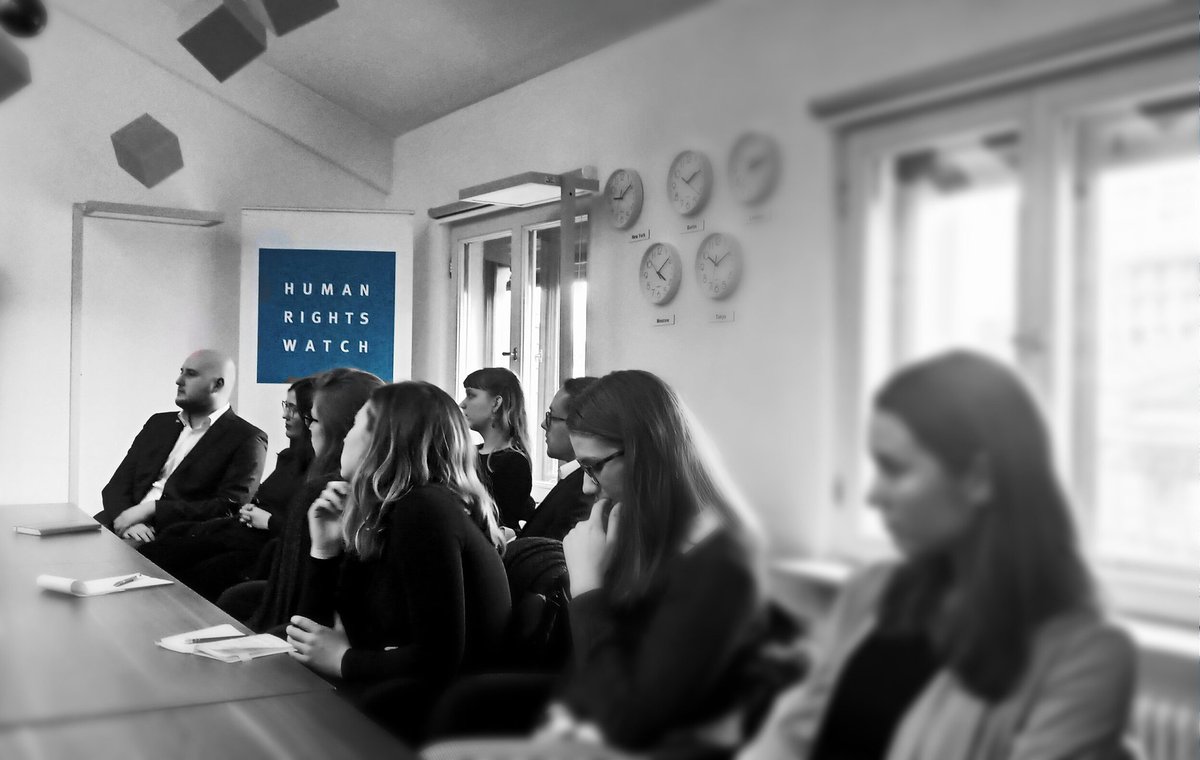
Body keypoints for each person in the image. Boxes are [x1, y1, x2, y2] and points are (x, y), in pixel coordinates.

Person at [739, 350, 1137, 760]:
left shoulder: (1086, 655)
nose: (872, 496)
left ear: (980, 478)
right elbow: (791, 735)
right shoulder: (872, 591)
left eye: (894, 469)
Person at [424, 369, 768, 758]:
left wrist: (588, 590)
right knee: (459, 712)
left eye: (594, 466)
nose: (587, 486)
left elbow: (627, 722)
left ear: (648, 450)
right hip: (593, 717)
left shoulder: (724, 565)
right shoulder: (642, 530)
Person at [286, 381, 512, 742]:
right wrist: (325, 549)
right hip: (397, 698)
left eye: (356, 424)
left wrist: (345, 660)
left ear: (384, 440)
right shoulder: (388, 512)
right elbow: (312, 636)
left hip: (430, 716)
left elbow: (438, 658)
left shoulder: (424, 509)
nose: (345, 436)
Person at [217, 368, 383, 633]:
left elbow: (305, 610)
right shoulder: (376, 488)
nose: (308, 427)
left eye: (312, 419)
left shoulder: (323, 492)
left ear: (340, 428)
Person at [137, 378, 315, 601]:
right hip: (243, 532)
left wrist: (268, 521)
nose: (285, 415)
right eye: (286, 405)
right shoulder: (290, 458)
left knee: (191, 574)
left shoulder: (319, 471)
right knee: (164, 545)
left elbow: (304, 530)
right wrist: (252, 507)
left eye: (293, 409)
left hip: (261, 547)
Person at [96, 349, 268, 543]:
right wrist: (127, 520)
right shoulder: (158, 424)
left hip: (172, 538)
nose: (178, 380)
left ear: (217, 384)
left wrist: (153, 509)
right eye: (181, 372)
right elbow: (116, 486)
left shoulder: (247, 438)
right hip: (122, 524)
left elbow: (229, 508)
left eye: (191, 374)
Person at [517, 376, 598, 541]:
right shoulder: (574, 480)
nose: (543, 424)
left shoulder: (585, 490)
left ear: (578, 424)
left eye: (551, 417)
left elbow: (556, 549)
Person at [460, 367, 534, 530]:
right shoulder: (468, 453)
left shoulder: (513, 462)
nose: (462, 404)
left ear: (496, 403)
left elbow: (500, 523)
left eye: (471, 395)